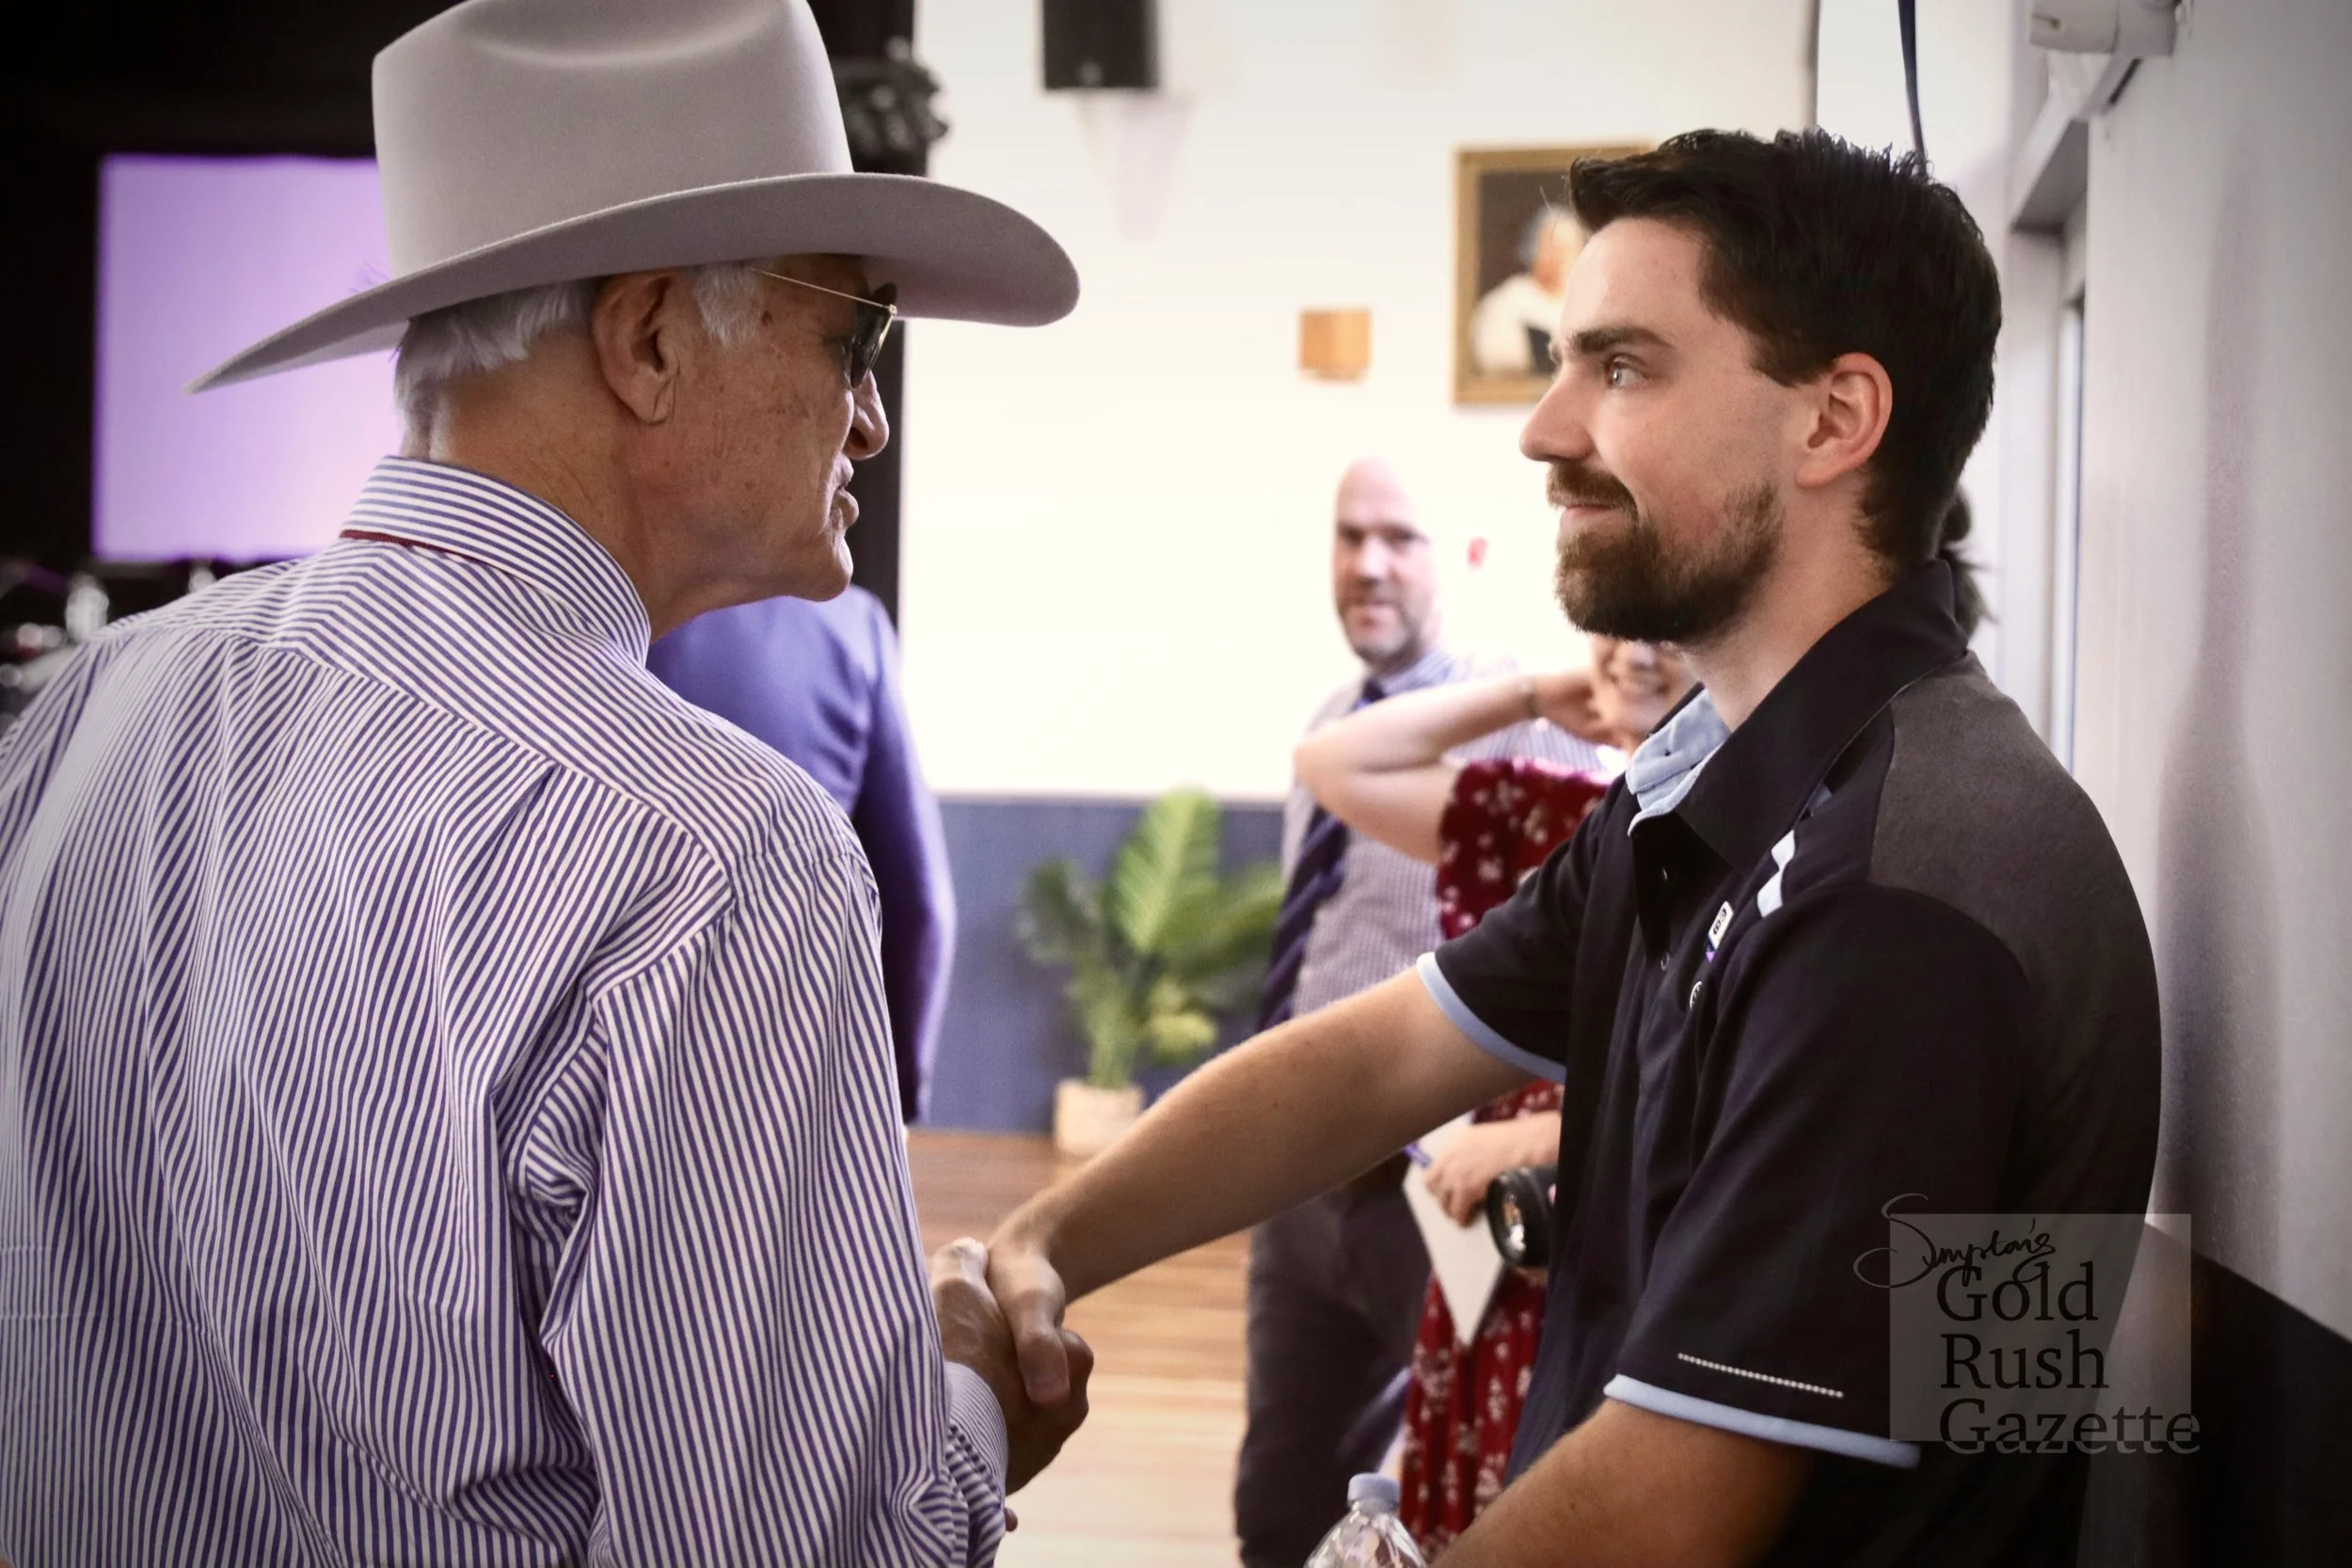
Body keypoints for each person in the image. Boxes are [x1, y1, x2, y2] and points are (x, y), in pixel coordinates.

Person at [0, 2, 1093, 1564]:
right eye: (854, 334)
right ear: (650, 338)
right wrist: (971, 1397)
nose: (872, 412)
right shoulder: (713, 854)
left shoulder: (78, 718)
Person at [984, 129, 2159, 1567]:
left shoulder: (1906, 883)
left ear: (1833, 419)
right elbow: (1380, 1057)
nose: (1544, 430)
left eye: (1620, 367)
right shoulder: (1730, 788)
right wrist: (1044, 1239)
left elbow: (1677, 1501)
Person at [1235, 455, 1603, 1567]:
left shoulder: (1528, 739)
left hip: (1434, 1181)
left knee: (1445, 1495)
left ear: (1465, 555)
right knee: (1278, 1502)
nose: (1368, 565)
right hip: (1303, 1178)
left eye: (1400, 538)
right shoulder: (1334, 721)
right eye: (1350, 538)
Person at [1293, 638, 1694, 1555]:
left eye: (1665, 631)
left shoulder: (1746, 838)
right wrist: (1539, 692)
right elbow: (1333, 759)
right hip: (1493, 1248)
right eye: (1618, 629)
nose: (1637, 651)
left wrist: (1550, 1132)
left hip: (1617, 1256)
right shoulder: (1551, 813)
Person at [649, 586, 956, 1122]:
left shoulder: (584, 614)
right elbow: (921, 904)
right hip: (794, 1066)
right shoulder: (850, 624)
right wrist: (895, 1093)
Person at [1470, 207, 1583, 376]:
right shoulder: (1507, 302)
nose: (1563, 258)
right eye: (1555, 249)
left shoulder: (1588, 303)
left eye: (1569, 249)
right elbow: (1496, 361)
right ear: (1534, 249)